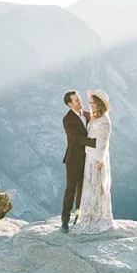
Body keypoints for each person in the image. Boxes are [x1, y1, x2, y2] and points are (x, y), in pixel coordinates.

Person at [71, 90, 114, 234]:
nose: (92, 106)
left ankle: (99, 217)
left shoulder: (104, 120)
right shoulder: (95, 118)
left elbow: (104, 141)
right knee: (89, 187)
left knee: (97, 187)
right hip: (89, 156)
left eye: (94, 104)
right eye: (90, 104)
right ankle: (88, 215)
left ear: (100, 105)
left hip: (97, 158)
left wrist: (101, 159)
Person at [60, 90, 95, 233]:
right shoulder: (67, 119)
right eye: (76, 100)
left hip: (88, 158)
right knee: (71, 190)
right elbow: (76, 138)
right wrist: (95, 143)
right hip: (74, 159)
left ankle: (78, 218)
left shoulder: (87, 115)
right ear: (70, 104)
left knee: (83, 190)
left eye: (80, 99)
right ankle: (65, 220)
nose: (80, 101)